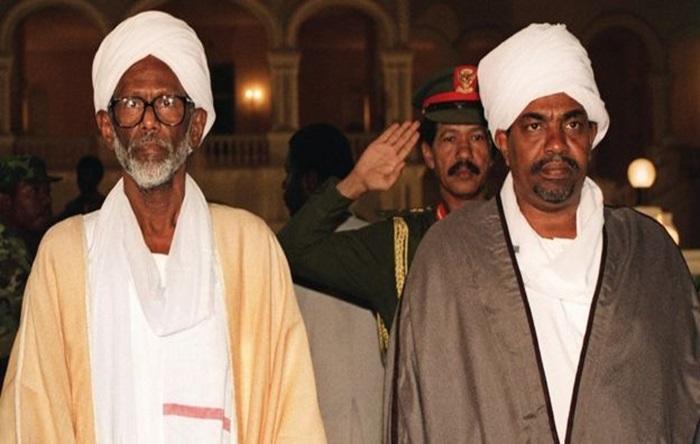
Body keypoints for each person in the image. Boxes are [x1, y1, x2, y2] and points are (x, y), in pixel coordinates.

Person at [0, 11, 325, 443]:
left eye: (168, 102)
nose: (149, 121)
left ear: (196, 125)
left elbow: (290, 408)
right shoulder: (67, 254)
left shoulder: (249, 248)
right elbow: (33, 412)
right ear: (107, 127)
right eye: (131, 104)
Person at [385, 23, 700, 442]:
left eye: (572, 125)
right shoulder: (450, 256)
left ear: (591, 135)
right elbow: (412, 410)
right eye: (534, 126)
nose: (556, 144)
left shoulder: (648, 252)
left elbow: (687, 395)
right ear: (503, 141)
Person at [278, 65, 494, 358]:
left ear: (493, 153)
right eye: (449, 138)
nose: (464, 152)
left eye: (477, 138)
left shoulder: (522, 234)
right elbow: (292, 251)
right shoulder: (398, 246)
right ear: (429, 155)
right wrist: (355, 183)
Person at [282, 123, 385, 444]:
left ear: (309, 180)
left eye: (289, 174)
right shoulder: (375, 243)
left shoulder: (290, 257)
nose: (283, 185)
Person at [0, 154, 60, 386]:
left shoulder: (33, 244)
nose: (46, 200)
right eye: (34, 191)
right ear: (5, 201)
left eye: (47, 191)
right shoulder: (6, 253)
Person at [55, 154, 106, 221]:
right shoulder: (73, 208)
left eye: (87, 174)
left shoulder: (105, 206)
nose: (83, 180)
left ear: (97, 176)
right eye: (80, 175)